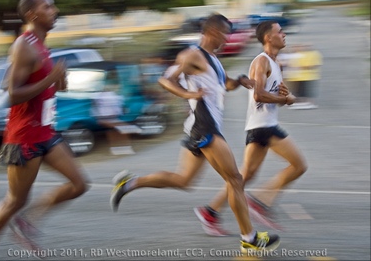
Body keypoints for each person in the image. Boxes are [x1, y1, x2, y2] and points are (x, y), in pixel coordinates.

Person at [110, 13, 280, 253]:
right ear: (212, 32)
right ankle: (249, 239)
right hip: (204, 126)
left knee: (183, 180)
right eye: (225, 33)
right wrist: (188, 95)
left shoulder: (214, 60)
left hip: (204, 126)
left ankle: (129, 183)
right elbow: (166, 79)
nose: (227, 38)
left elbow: (224, 85)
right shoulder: (191, 55)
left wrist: (240, 80)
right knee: (235, 179)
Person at [0, 0, 88, 260]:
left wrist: (60, 79)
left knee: (79, 184)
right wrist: (49, 78)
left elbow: (49, 88)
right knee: (13, 201)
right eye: (48, 6)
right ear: (33, 14)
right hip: (23, 138)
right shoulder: (24, 45)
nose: (55, 10)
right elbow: (12, 93)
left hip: (45, 132)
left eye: (53, 6)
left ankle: (27, 221)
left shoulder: (43, 46)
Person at [194, 20, 308, 236]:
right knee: (299, 165)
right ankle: (260, 201)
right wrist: (284, 100)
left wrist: (284, 93)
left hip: (263, 126)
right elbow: (258, 94)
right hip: (263, 126)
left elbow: (272, 91)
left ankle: (210, 212)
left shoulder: (276, 63)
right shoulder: (261, 61)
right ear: (268, 37)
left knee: (242, 177)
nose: (284, 35)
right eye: (280, 32)